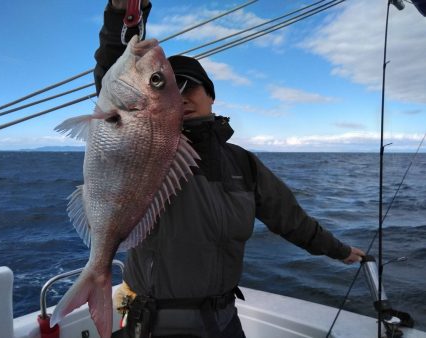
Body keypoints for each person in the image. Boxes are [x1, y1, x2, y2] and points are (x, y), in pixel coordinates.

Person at [94, 1, 366, 337]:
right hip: (154, 320)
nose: (180, 96)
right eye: (169, 87)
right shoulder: (147, 146)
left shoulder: (243, 163)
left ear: (211, 96)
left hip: (223, 318)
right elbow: (115, 76)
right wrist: (124, 14)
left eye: (189, 86)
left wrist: (339, 251)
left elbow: (291, 220)